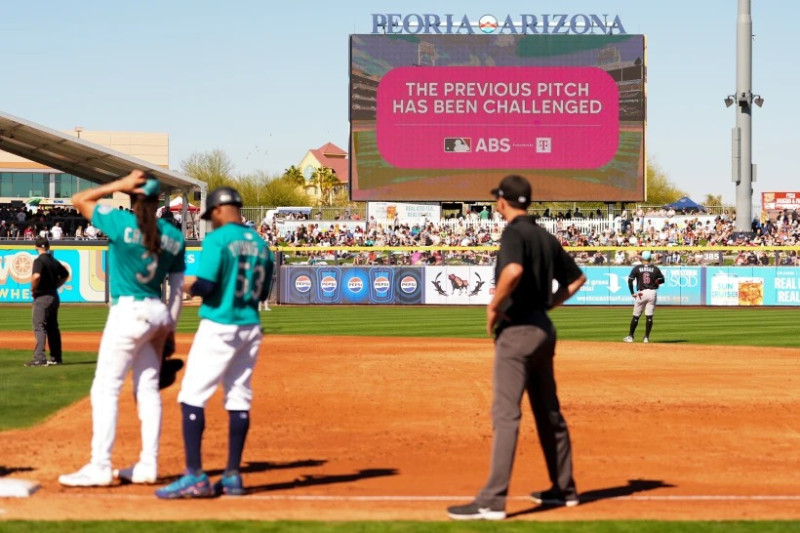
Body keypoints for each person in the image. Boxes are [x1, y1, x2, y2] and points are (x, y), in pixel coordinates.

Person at [447, 175, 587, 521]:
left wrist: (494, 306)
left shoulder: (514, 233)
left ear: (502, 201)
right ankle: (564, 489)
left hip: (518, 330)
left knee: (506, 415)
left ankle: (492, 501)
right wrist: (550, 305)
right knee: (548, 413)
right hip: (542, 329)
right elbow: (577, 279)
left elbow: (511, 270)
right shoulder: (543, 235)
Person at [59, 170, 186, 487]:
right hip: (157, 313)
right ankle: (148, 465)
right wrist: (170, 328)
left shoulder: (121, 223)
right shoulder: (174, 236)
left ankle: (100, 465)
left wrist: (119, 184)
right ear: (158, 201)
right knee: (147, 389)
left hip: (128, 311)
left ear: (132, 196)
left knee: (105, 388)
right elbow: (177, 286)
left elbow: (78, 200)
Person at [155, 186, 274, 499]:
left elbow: (207, 285)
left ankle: (194, 475)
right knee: (239, 397)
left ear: (221, 209)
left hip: (220, 325)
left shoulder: (218, 239)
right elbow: (262, 294)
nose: (211, 221)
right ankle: (233, 476)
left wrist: (188, 288)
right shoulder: (261, 244)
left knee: (192, 395)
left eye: (211, 215)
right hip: (250, 326)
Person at [26, 235, 69, 367]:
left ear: (36, 247)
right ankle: (56, 357)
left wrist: (33, 289)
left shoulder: (39, 261)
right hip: (53, 296)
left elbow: (36, 276)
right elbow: (65, 274)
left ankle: (40, 358)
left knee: (39, 327)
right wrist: (56, 285)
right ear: (49, 247)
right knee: (53, 328)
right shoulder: (54, 261)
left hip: (42, 296)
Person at [623, 250, 665, 344]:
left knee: (636, 316)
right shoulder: (655, 268)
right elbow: (662, 279)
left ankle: (630, 337)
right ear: (650, 258)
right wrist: (656, 282)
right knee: (649, 316)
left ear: (642, 258)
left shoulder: (637, 268)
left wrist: (632, 292)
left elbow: (630, 280)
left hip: (641, 293)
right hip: (652, 293)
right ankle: (646, 338)